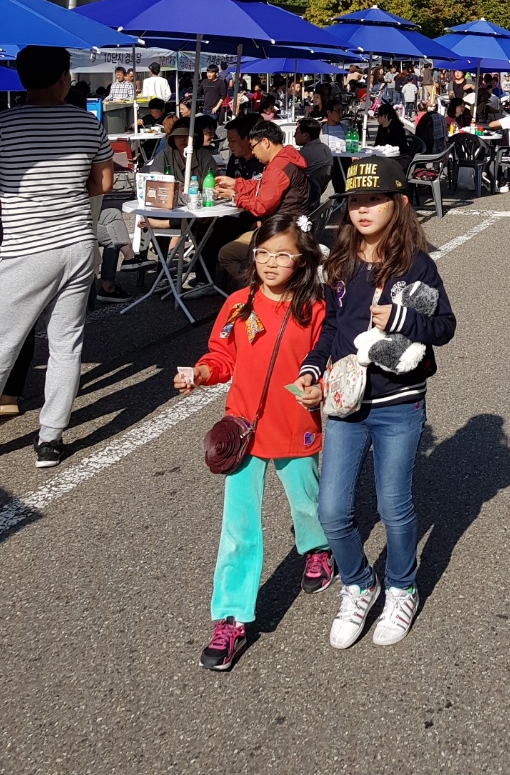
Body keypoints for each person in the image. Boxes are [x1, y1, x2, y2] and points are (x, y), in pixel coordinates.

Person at [294, 158, 456, 650]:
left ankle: (403, 588)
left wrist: (404, 314)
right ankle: (360, 584)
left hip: (399, 403)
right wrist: (310, 369)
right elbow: (329, 329)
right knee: (332, 509)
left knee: (393, 505)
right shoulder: (339, 264)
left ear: (398, 203)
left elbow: (444, 327)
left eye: (373, 199)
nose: (362, 210)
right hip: (345, 400)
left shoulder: (416, 265)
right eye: (355, 201)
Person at [174, 212, 335, 673]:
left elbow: (328, 357)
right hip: (242, 428)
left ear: (302, 260)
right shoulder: (238, 304)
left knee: (306, 501)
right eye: (263, 253)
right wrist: (201, 372)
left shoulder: (315, 308)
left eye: (283, 255)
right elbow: (221, 354)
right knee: (238, 528)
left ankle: (317, 548)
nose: (270, 263)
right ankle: (231, 617)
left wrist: (319, 384)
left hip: (295, 424)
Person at [0, 46, 114, 466]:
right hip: (78, 243)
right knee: (65, 343)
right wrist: (65, 197)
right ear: (63, 78)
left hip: (26, 248)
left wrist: (14, 201)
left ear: (22, 79)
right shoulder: (87, 122)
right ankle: (51, 439)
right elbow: (104, 181)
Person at [214, 120, 315, 291]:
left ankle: (257, 287)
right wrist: (236, 184)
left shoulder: (278, 167)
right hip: (289, 227)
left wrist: (235, 196)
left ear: (265, 142)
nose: (252, 152)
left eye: (253, 146)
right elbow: (264, 187)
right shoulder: (285, 160)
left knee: (226, 254)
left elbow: (261, 206)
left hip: (281, 232)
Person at [294, 116, 332, 198]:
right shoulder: (325, 148)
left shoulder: (304, 154)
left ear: (306, 135)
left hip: (301, 197)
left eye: (296, 132)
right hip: (315, 194)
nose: (294, 136)